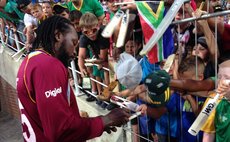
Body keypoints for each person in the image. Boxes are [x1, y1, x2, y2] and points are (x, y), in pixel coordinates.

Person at [16, 16, 130, 142]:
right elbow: (61, 130)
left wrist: (90, 123)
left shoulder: (32, 61)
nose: (75, 52)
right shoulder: (47, 65)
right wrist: (105, 120)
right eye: (73, 43)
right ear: (58, 36)